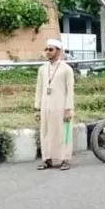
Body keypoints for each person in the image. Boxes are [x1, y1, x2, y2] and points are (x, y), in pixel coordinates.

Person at [34, 38, 76, 171]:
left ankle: (65, 159)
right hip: (46, 106)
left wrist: (68, 109)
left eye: (50, 49)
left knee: (64, 132)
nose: (47, 52)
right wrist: (37, 108)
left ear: (59, 51)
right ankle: (47, 159)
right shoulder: (42, 69)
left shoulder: (67, 69)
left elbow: (70, 91)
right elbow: (39, 89)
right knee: (46, 132)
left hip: (62, 106)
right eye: (46, 49)